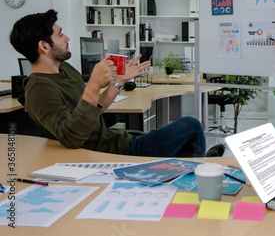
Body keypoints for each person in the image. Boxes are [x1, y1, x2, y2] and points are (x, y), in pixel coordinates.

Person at [10, 9, 211, 158]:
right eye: (60, 34)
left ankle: (199, 164)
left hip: (116, 140)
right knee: (191, 125)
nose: (67, 38)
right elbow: (71, 138)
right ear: (44, 46)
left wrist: (118, 81)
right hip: (109, 153)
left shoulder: (65, 69)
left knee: (176, 142)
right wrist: (93, 85)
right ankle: (202, 169)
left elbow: (95, 109)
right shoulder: (37, 89)